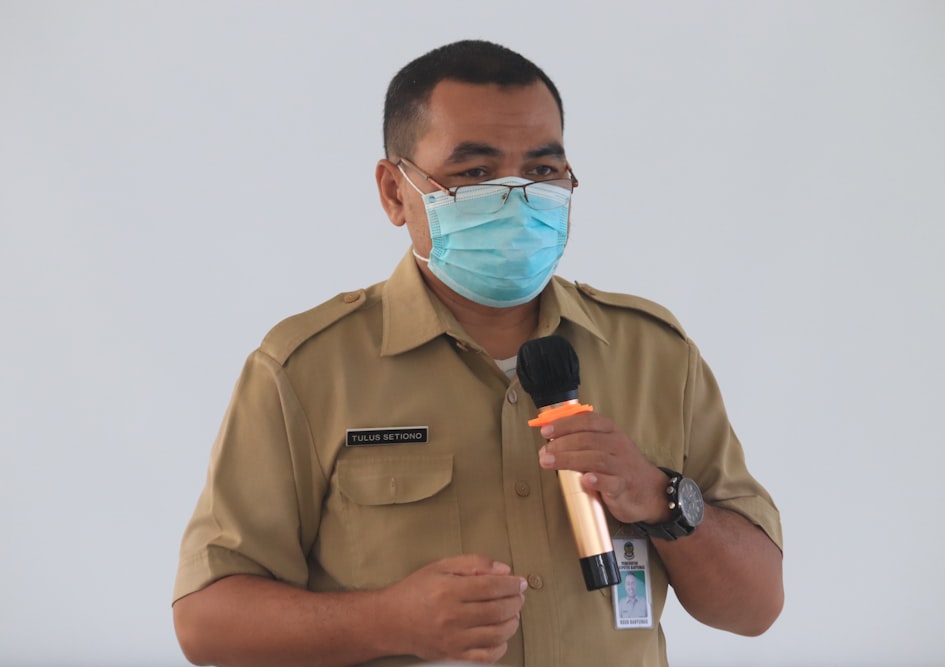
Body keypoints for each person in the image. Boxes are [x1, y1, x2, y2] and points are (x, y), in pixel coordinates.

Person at [172, 39, 783, 667]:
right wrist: (386, 621)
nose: (516, 197)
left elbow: (754, 607)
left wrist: (662, 498)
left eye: (542, 171)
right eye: (475, 174)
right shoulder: (305, 370)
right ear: (393, 191)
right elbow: (207, 623)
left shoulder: (656, 354)